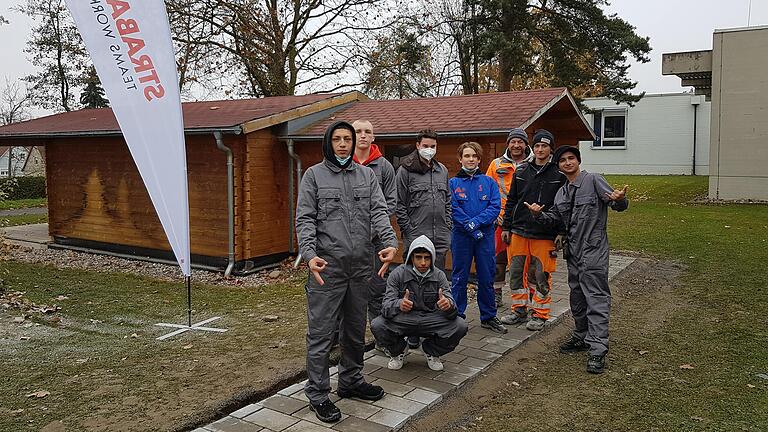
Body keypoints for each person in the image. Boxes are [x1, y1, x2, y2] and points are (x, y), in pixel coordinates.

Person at [295, 121, 398, 422]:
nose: (343, 144)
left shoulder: (366, 175)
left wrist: (389, 242)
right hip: (327, 269)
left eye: (347, 140)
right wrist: (310, 255)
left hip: (360, 267)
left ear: (354, 144)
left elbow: (379, 212)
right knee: (322, 335)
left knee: (354, 331)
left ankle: (351, 381)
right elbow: (305, 220)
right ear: (328, 142)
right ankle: (317, 393)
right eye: (337, 139)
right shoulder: (313, 176)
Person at [524, 145, 628, 374]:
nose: (567, 163)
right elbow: (555, 219)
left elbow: (616, 204)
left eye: (571, 158)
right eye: (563, 160)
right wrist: (538, 214)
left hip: (593, 251)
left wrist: (620, 200)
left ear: (578, 161)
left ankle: (598, 349)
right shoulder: (562, 193)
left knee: (596, 298)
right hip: (573, 253)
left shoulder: (593, 181)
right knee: (577, 297)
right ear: (558, 165)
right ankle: (581, 336)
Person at [500, 129, 567, 331]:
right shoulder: (521, 171)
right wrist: (506, 226)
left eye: (544, 146)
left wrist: (561, 232)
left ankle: (539, 314)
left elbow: (564, 206)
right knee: (516, 273)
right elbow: (512, 201)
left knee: (540, 275)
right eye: (537, 145)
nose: (539, 149)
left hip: (545, 233)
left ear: (550, 149)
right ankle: (518, 310)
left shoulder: (559, 174)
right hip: (519, 231)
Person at [372, 235, 467, 371]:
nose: (423, 262)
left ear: (432, 258)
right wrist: (399, 304)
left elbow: (453, 310)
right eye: (418, 257)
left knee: (460, 325)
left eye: (427, 258)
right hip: (404, 318)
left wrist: (448, 306)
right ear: (411, 257)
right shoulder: (397, 274)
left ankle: (431, 351)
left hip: (430, 319)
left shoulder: (439, 275)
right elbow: (385, 307)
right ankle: (398, 351)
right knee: (378, 325)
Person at [395, 128, 452, 349]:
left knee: (436, 284)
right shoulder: (406, 171)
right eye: (426, 145)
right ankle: (412, 331)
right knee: (413, 284)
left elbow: (447, 202)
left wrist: (448, 226)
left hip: (440, 238)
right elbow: (399, 205)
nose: (429, 149)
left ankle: (433, 327)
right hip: (417, 239)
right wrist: (409, 232)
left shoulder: (442, 170)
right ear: (417, 145)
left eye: (433, 146)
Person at [449, 142, 507, 334]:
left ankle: (488, 316)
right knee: (459, 277)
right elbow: (453, 209)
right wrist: (471, 228)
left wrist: (475, 224)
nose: (471, 159)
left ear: (479, 159)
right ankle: (456, 317)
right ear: (460, 159)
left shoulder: (488, 183)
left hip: (485, 237)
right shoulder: (453, 183)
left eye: (474, 156)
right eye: (467, 156)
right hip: (462, 237)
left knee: (486, 276)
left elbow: (494, 207)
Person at [351, 120, 397, 333]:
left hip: (375, 240)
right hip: (345, 240)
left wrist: (372, 228)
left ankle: (381, 337)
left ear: (373, 137)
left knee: (377, 288)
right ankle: (338, 338)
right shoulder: (341, 163)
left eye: (367, 132)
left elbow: (391, 201)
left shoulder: (384, 166)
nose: (363, 135)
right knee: (343, 290)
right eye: (358, 131)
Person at [486, 128, 534, 309]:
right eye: (513, 141)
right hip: (499, 220)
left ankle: (530, 297)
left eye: (520, 141)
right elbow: (487, 190)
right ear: (508, 144)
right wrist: (494, 215)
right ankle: (496, 294)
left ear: (525, 144)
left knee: (527, 263)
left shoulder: (534, 163)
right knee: (498, 260)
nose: (516, 145)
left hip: (525, 221)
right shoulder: (496, 164)